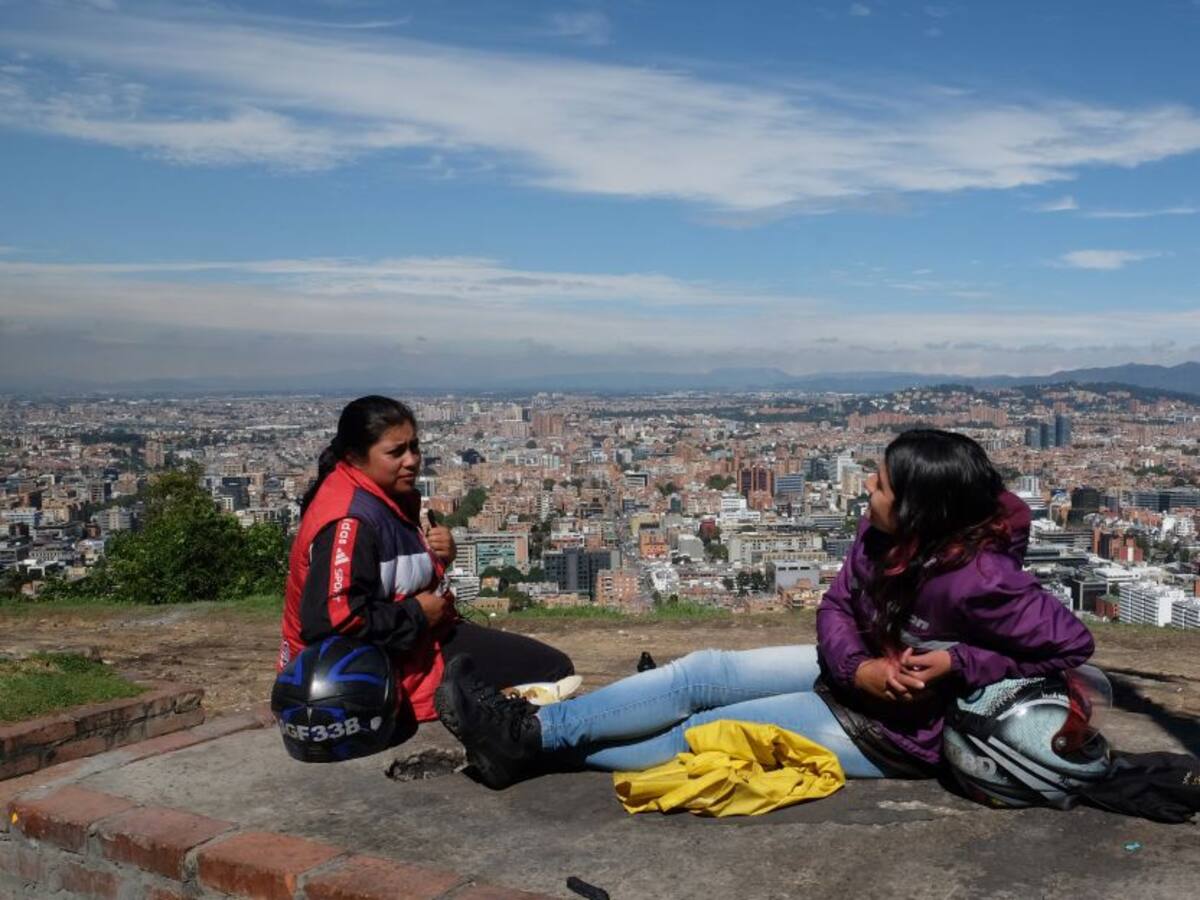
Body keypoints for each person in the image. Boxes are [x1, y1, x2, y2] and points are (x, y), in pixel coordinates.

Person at [435, 429, 1095, 789]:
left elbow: (1072, 650)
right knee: (702, 672)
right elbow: (837, 606)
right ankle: (528, 733)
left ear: (922, 510)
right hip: (849, 679)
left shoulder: (984, 580)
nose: (868, 488)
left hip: (894, 732)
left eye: (883, 484)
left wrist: (960, 660)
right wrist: (859, 665)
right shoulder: (881, 535)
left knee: (709, 737)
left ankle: (546, 751)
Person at [279, 395, 573, 738]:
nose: (412, 461)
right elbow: (330, 620)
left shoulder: (379, 498)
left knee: (546, 670)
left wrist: (440, 558)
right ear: (355, 457)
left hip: (412, 642)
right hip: (374, 669)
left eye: (414, 448)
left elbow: (390, 578)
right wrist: (417, 613)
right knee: (551, 673)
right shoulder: (350, 520)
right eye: (396, 452)